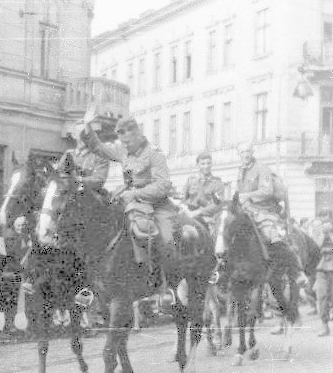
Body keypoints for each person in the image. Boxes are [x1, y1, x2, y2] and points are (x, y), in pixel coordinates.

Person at [80, 109, 177, 266]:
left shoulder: (154, 153)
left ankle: (169, 284)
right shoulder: (123, 149)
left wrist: (136, 194)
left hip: (156, 206)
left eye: (128, 142)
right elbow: (98, 147)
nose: (125, 146)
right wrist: (87, 125)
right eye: (122, 142)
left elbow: (163, 185)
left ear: (138, 135)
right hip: (126, 202)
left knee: (166, 240)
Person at [235, 141, 308, 287]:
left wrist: (247, 196)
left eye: (247, 152)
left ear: (252, 152)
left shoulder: (262, 169)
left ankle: (296, 271)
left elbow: (267, 191)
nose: (245, 155)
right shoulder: (241, 171)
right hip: (246, 211)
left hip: (264, 212)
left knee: (273, 237)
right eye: (242, 153)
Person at [181, 151, 225, 229]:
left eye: (208, 163)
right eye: (203, 163)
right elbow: (183, 199)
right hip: (188, 216)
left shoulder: (217, 183)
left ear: (211, 164)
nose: (206, 166)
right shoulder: (191, 180)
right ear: (198, 165)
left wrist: (198, 212)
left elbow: (217, 204)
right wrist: (185, 210)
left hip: (206, 219)